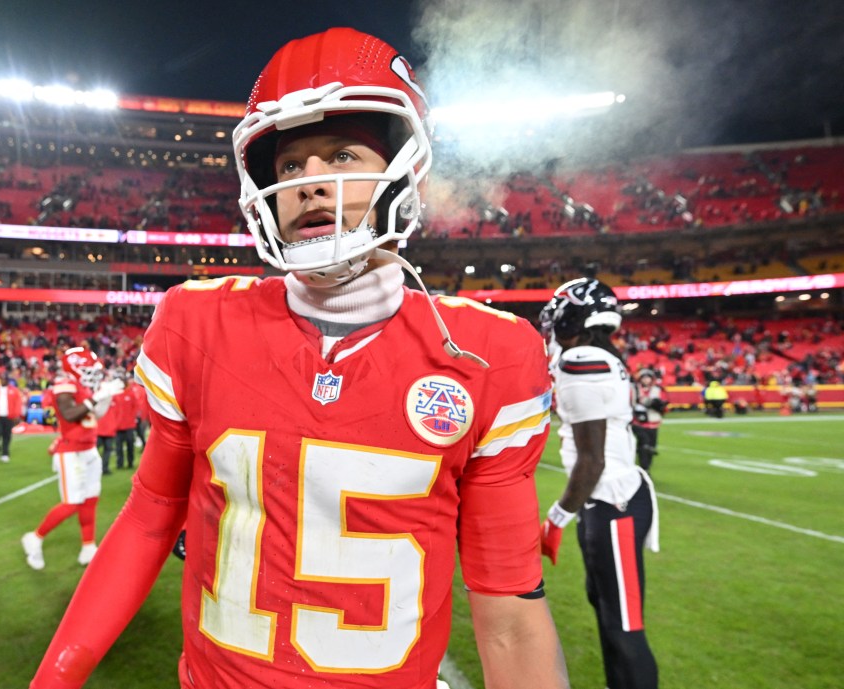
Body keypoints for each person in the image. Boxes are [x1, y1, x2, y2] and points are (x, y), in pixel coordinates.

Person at [30, 27, 568, 689]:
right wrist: (53, 676)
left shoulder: (490, 355)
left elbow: (510, 609)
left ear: (404, 167)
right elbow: (148, 519)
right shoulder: (196, 321)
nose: (310, 183)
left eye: (341, 154)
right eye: (290, 167)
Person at [538, 278, 659, 689]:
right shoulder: (600, 355)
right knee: (610, 616)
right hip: (606, 504)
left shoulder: (582, 359)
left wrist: (556, 519)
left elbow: (592, 461)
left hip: (613, 503)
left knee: (624, 629)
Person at [21, 347, 123, 571]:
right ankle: (35, 537)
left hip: (89, 449)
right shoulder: (64, 384)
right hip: (71, 452)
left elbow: (94, 415)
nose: (93, 374)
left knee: (90, 499)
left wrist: (105, 398)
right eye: (89, 369)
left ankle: (88, 546)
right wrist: (97, 396)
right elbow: (69, 413)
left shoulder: (82, 387)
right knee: (73, 502)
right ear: (75, 367)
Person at [631, 369, 667, 473]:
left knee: (651, 447)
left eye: (648, 378)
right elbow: (631, 403)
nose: (646, 380)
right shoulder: (635, 389)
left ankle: (647, 468)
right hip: (638, 422)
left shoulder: (657, 390)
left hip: (653, 421)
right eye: (644, 378)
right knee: (643, 445)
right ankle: (643, 467)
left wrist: (659, 405)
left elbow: (664, 406)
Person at [0, 368, 24, 464]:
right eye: (2, 379)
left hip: (9, 416)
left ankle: (5, 453)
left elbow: (18, 403)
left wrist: (16, 415)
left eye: (5, 379)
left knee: (6, 435)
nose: (4, 381)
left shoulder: (14, 390)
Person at [110, 373, 138, 470]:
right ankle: (120, 464)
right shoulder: (114, 395)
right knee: (119, 447)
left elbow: (135, 407)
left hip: (129, 425)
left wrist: (132, 419)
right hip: (118, 426)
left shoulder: (130, 393)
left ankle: (130, 462)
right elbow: (112, 410)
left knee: (130, 445)